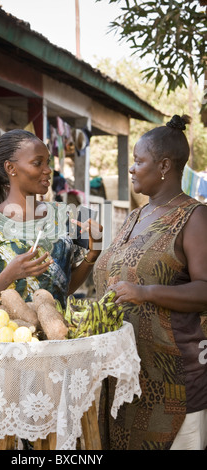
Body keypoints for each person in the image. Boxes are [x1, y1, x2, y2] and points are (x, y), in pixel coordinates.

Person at [94, 114, 207, 450]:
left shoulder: (194, 217)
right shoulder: (135, 216)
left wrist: (145, 293)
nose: (131, 169)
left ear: (164, 166)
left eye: (138, 161)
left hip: (173, 381)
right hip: (126, 380)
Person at [0, 129, 102, 313]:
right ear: (10, 168)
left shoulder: (65, 214)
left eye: (48, 162)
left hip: (57, 332)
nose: (48, 170)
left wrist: (93, 253)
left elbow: (64, 288)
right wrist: (8, 275)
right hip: (10, 335)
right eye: (38, 163)